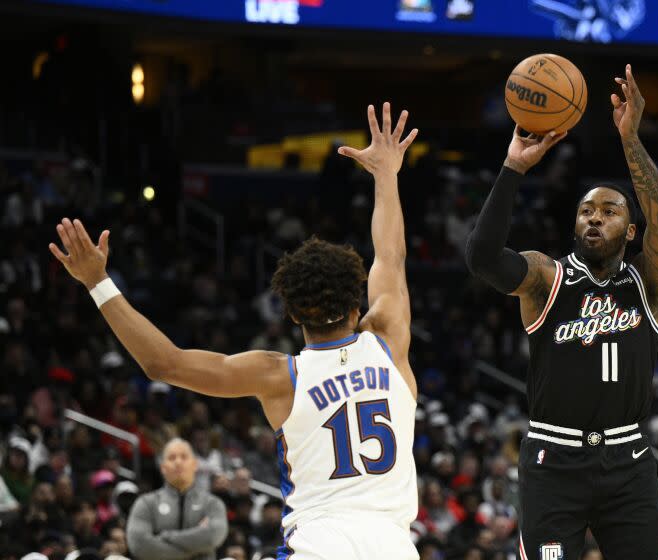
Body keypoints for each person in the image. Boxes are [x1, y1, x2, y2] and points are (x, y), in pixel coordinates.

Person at [49, 102, 420, 560]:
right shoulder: (388, 338)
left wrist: (97, 283)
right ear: (357, 299)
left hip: (319, 544)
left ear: (289, 314)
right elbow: (391, 255)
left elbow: (163, 363)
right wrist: (386, 174)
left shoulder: (278, 375)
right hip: (395, 546)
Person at [465, 64, 658, 560]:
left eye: (609, 211)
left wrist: (630, 137)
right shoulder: (547, 278)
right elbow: (481, 259)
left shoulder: (648, 282)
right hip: (553, 457)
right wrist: (513, 168)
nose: (594, 217)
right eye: (586, 211)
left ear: (630, 232)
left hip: (627, 458)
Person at [126, 438, 228, 560]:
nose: (178, 462)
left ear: (195, 464)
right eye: (172, 458)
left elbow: (213, 537)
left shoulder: (212, 503)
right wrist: (196, 544)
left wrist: (166, 536)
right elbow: (139, 546)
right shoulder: (146, 503)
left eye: (184, 457)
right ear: (163, 467)